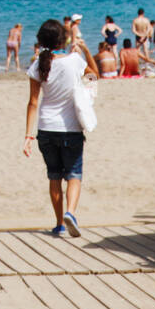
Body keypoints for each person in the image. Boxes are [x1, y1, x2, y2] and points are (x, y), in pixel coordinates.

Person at [23, 18, 99, 237]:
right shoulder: (75, 61)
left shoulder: (38, 64)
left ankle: (59, 224)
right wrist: (84, 49)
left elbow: (33, 103)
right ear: (63, 39)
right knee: (74, 174)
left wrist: (29, 135)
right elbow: (94, 76)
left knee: (54, 177)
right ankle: (71, 212)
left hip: (46, 129)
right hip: (71, 128)